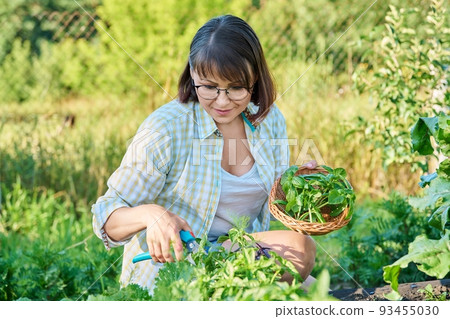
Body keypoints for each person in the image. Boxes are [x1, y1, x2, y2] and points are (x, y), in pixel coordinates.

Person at [92, 14, 317, 293]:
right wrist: (152, 215)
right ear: (192, 73)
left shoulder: (269, 121)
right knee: (299, 251)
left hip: (236, 254)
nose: (222, 101)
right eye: (209, 87)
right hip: (175, 272)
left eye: (236, 87)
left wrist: (299, 188)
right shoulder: (165, 128)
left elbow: (273, 202)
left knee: (318, 290)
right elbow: (105, 217)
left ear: (255, 78)